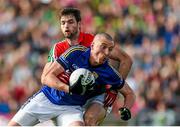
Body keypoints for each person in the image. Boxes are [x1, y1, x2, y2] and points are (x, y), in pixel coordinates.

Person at [8, 33, 135, 126]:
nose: (107, 52)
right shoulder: (75, 52)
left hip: (71, 107)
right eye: (103, 47)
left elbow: (129, 93)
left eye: (110, 49)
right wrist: (68, 88)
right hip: (47, 99)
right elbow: (46, 78)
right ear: (92, 45)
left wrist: (126, 108)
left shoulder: (109, 72)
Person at [41, 7, 133, 125]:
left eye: (70, 22)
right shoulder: (59, 48)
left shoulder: (94, 41)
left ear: (79, 24)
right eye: (63, 23)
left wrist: (114, 90)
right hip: (73, 95)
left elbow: (126, 59)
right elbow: (45, 77)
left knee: (89, 120)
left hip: (97, 93)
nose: (66, 26)